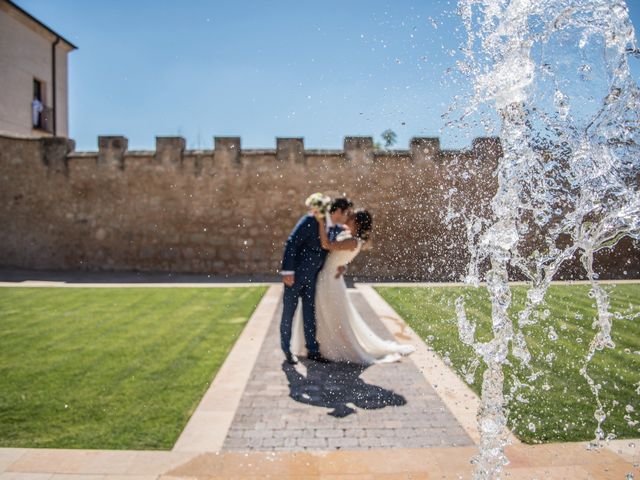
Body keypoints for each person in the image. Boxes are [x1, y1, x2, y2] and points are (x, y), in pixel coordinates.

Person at [291, 209, 416, 364]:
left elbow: (327, 245)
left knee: (331, 315)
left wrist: (321, 222)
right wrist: (343, 265)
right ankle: (318, 345)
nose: (347, 218)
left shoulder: (353, 241)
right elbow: (338, 257)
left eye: (351, 217)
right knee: (323, 313)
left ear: (357, 223)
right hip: (328, 278)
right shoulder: (349, 237)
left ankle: (331, 346)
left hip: (330, 281)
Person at [279, 197, 353, 364]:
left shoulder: (337, 229)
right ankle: (286, 349)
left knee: (309, 313)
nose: (347, 216)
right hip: (295, 275)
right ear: (338, 211)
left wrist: (343, 266)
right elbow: (291, 242)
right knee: (289, 313)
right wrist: (288, 271)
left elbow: (336, 252)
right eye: (346, 213)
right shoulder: (310, 219)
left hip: (313, 278)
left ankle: (313, 350)